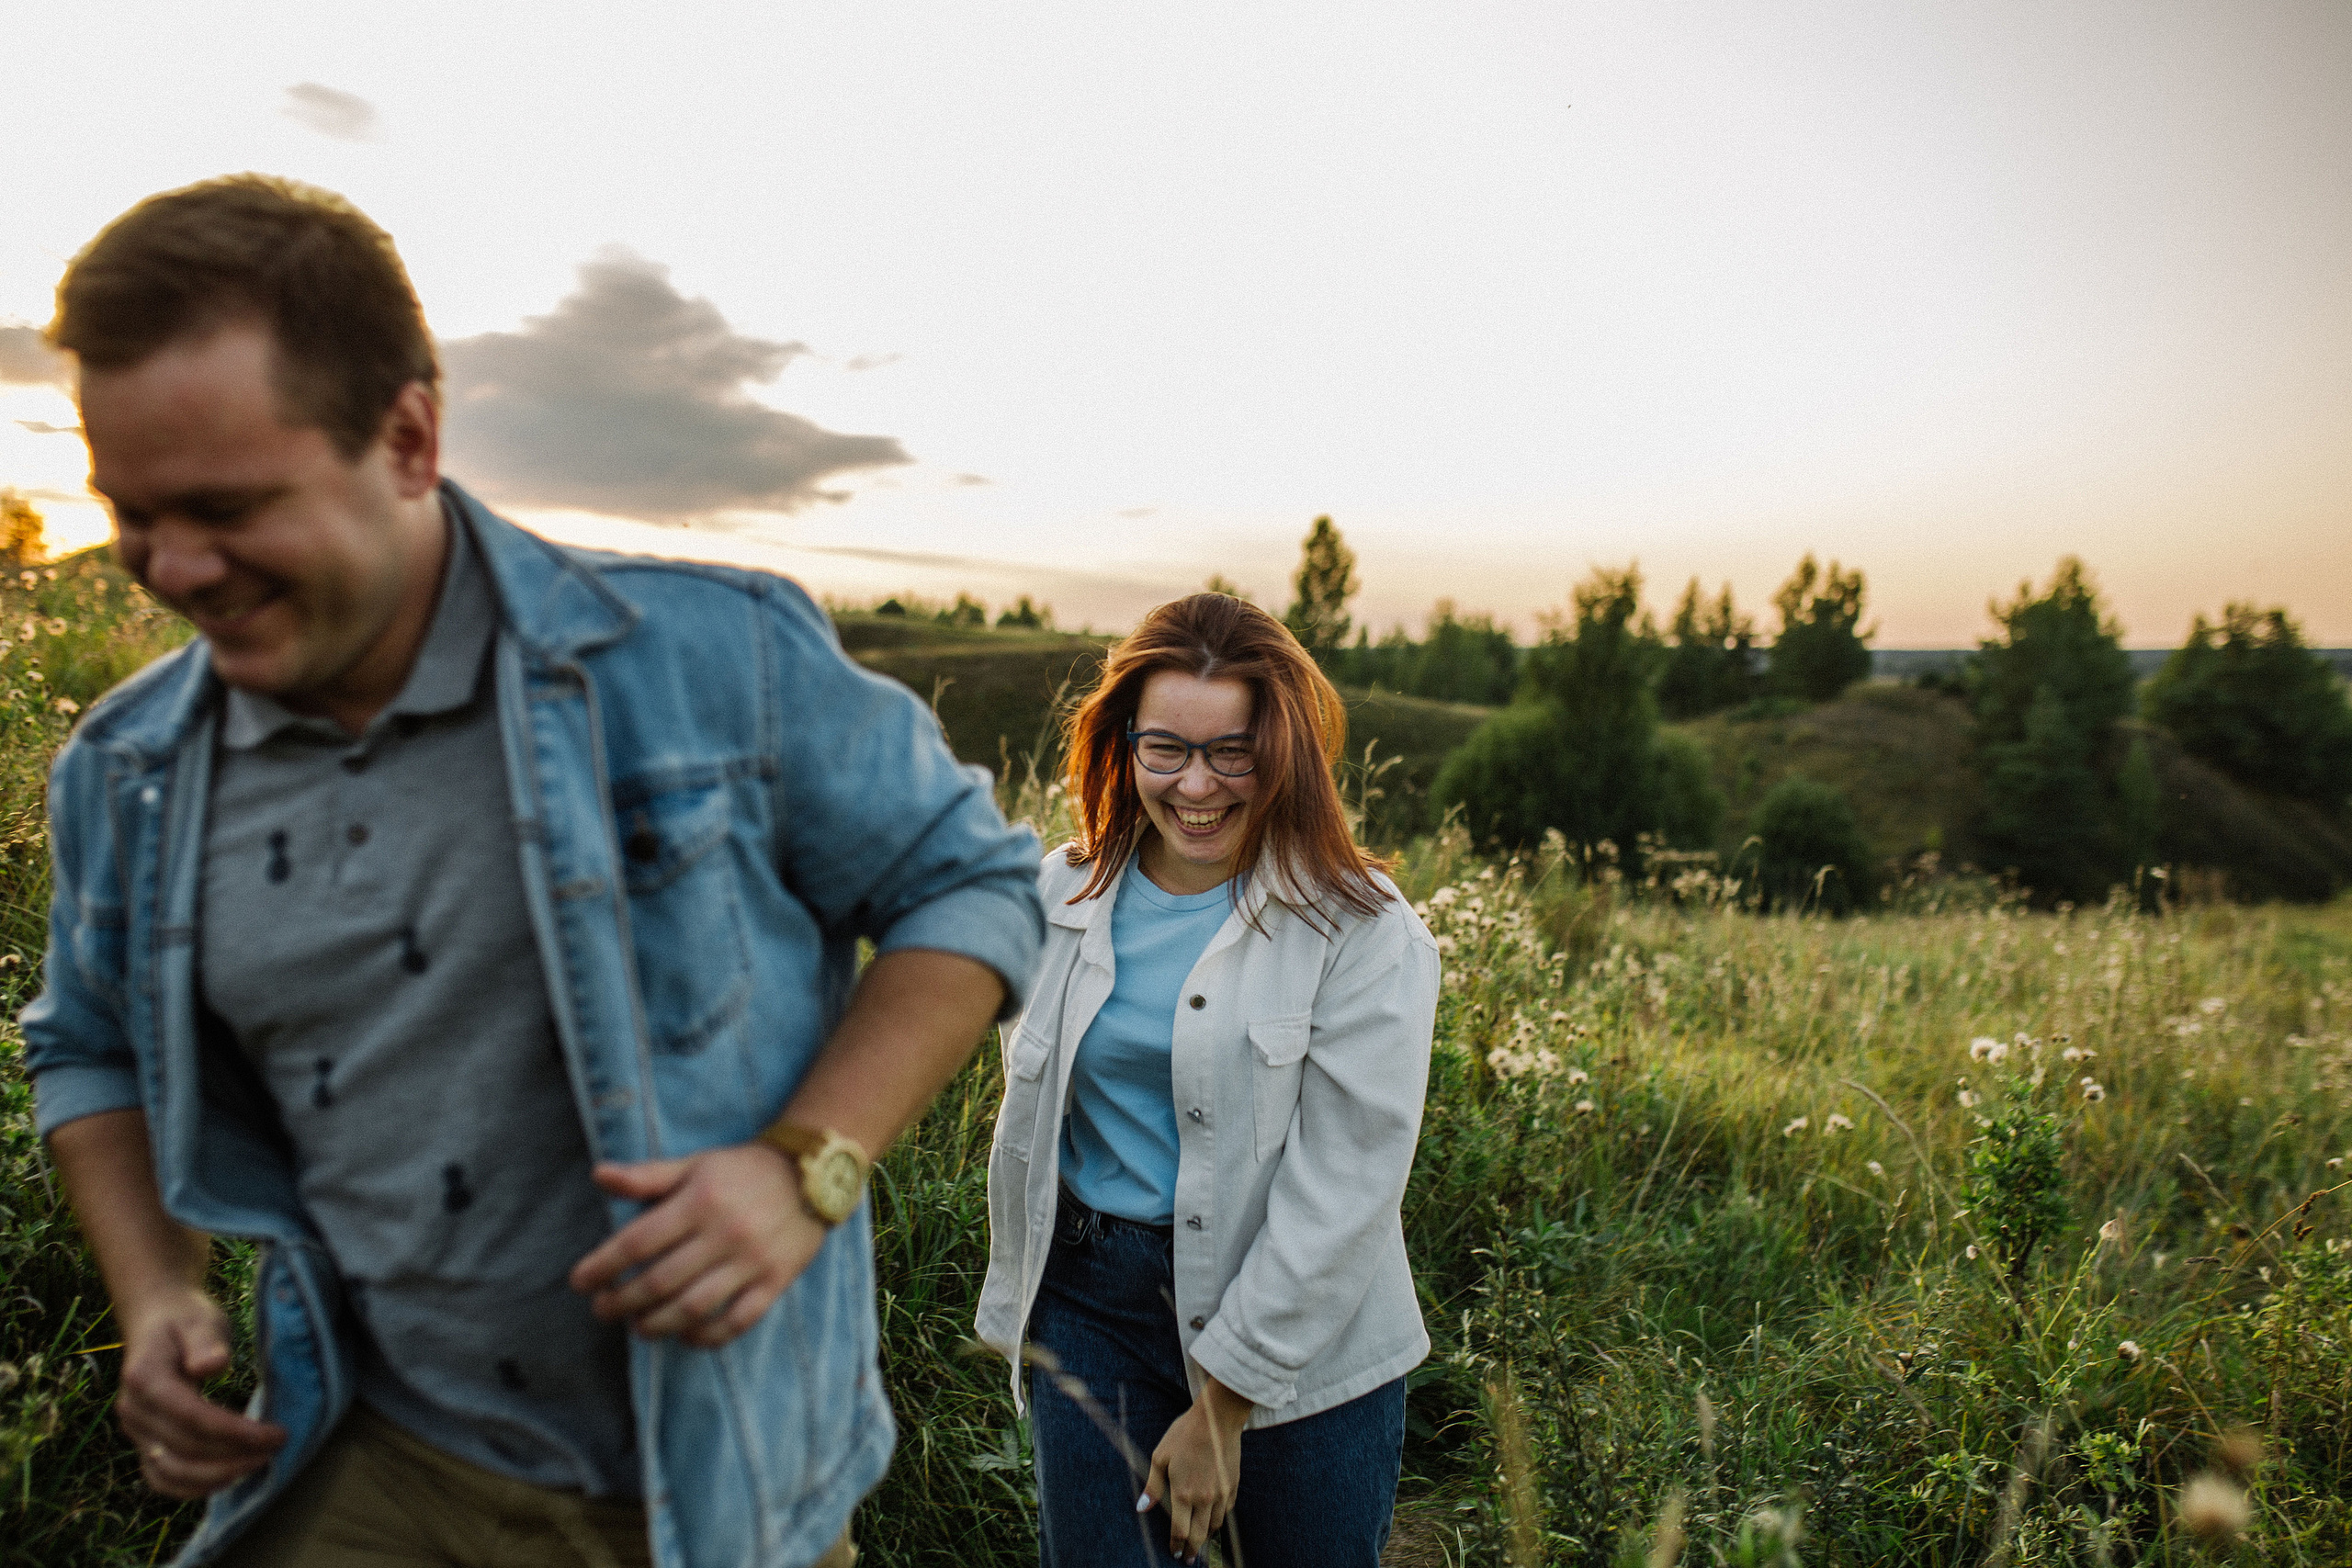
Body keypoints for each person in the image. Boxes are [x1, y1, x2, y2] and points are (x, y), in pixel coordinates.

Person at [21, 174, 1045, 1568]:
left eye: (228, 505)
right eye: (131, 510)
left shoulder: (708, 657)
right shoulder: (125, 769)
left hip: (711, 1490)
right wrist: (155, 1294)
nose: (171, 565)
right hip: (356, 1455)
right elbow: (87, 1045)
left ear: (409, 435)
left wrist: (801, 1166)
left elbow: (974, 885)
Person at [976, 593, 1441, 1566]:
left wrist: (1222, 1403)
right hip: (1092, 1309)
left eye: (1233, 751)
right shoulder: (1059, 893)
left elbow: (1348, 1185)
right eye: (1166, 750)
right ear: (1123, 745)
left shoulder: (1359, 926)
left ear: (1286, 751)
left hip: (1305, 1332)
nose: (1197, 786)